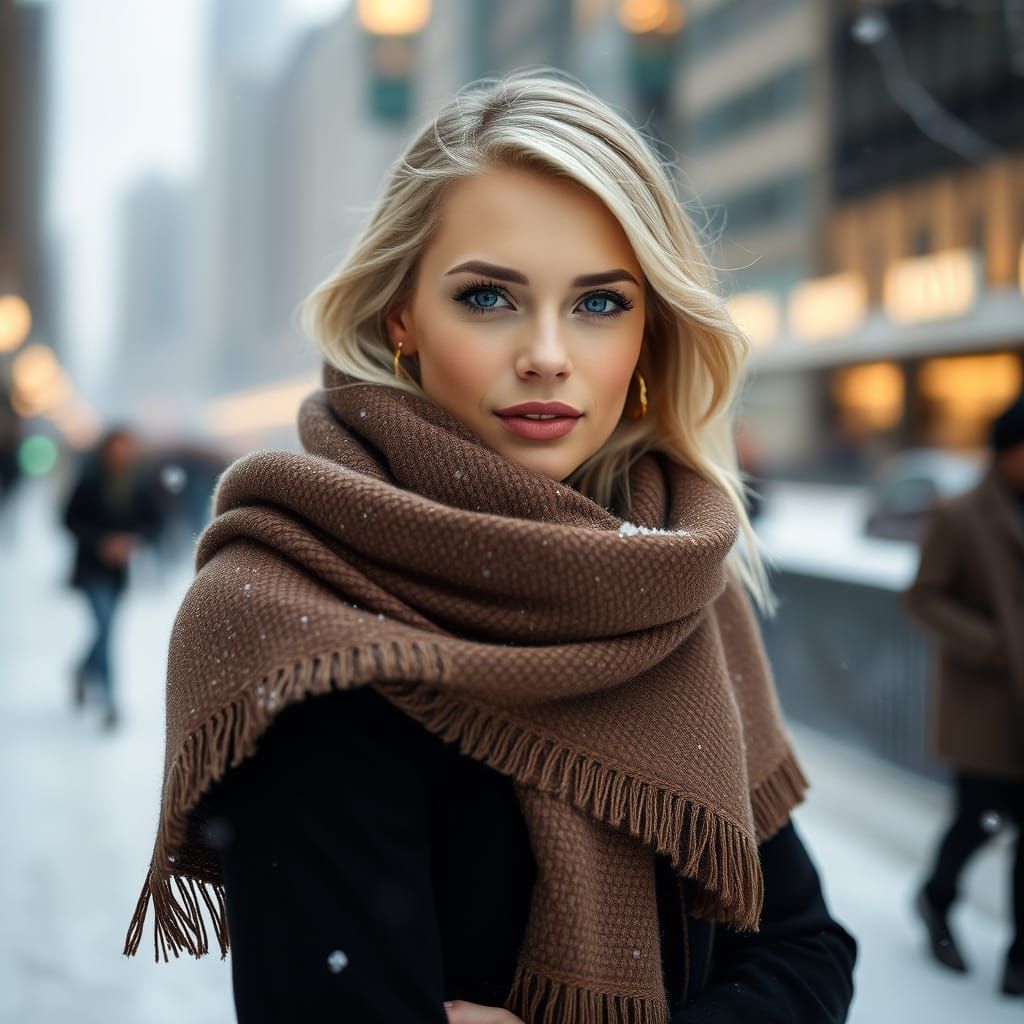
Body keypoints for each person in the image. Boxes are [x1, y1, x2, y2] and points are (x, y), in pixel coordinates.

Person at [123, 71, 857, 1023]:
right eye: (487, 297)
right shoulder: (298, 622)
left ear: (649, 333)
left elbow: (807, 946)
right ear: (402, 321)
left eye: (599, 304)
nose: (548, 353)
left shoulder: (679, 585)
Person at [904, 391, 1024, 998]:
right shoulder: (960, 515)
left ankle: (1020, 957)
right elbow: (921, 596)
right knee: (976, 823)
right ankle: (935, 899)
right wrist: (987, 642)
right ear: (1006, 453)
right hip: (987, 705)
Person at [62, 426, 162, 729]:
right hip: (91, 568)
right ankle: (109, 699)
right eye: (116, 448)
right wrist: (100, 542)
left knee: (105, 629)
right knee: (105, 627)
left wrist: (131, 541)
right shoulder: (89, 481)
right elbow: (69, 519)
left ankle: (82, 670)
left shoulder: (140, 484)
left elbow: (155, 522)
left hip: (119, 572)